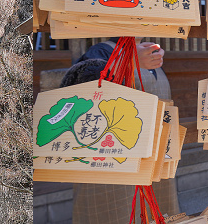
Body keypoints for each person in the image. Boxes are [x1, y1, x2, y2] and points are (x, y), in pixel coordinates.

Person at [65, 40, 181, 223]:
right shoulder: (102, 50)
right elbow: (80, 88)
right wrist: (129, 61)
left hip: (152, 160)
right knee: (115, 213)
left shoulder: (154, 55)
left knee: (158, 210)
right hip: (112, 160)